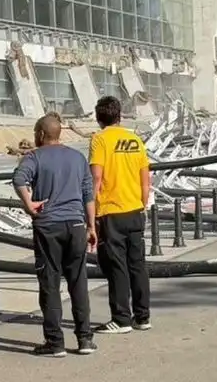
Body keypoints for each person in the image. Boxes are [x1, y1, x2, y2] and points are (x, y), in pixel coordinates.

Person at [12, 112, 97, 357]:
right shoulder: (78, 157)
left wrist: (29, 203)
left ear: (40, 134)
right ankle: (85, 339)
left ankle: (55, 342)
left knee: (50, 283)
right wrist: (91, 227)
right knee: (78, 282)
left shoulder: (34, 157)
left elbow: (19, 179)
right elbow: (88, 194)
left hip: (48, 226)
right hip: (76, 225)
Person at [89, 95, 152, 335]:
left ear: (98, 118)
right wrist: (142, 206)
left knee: (116, 267)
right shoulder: (135, 139)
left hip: (111, 213)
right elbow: (145, 180)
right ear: (119, 115)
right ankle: (142, 316)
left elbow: (96, 178)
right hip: (135, 210)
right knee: (137, 265)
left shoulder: (100, 140)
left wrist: (91, 215)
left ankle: (121, 319)